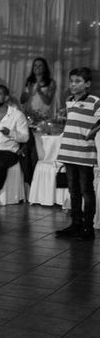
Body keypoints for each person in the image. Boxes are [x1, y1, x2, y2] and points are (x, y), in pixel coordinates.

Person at [56, 67, 100, 241]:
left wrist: (93, 131)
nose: (73, 85)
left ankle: (88, 228)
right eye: (71, 81)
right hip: (68, 151)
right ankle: (76, 224)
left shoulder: (94, 101)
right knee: (73, 191)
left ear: (87, 84)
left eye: (78, 81)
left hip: (84, 153)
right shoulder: (69, 101)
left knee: (86, 190)